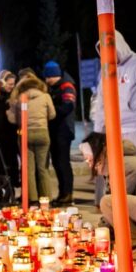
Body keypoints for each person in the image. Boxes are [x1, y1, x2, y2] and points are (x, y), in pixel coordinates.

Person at [92, 30, 136, 161]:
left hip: (134, 129)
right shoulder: (106, 70)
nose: (107, 56)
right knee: (115, 170)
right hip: (112, 130)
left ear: (118, 46)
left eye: (110, 51)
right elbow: (101, 101)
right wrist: (98, 130)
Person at [7, 73, 55, 203]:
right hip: (42, 133)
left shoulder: (20, 98)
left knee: (29, 169)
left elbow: (13, 120)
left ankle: (32, 199)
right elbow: (52, 115)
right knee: (43, 168)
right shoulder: (45, 96)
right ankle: (46, 199)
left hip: (26, 135)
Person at [44, 60, 77, 206]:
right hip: (55, 130)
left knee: (63, 163)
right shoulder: (54, 87)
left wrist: (51, 112)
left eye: (48, 77)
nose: (46, 80)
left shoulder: (66, 86)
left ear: (53, 76)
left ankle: (67, 194)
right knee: (57, 163)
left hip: (64, 130)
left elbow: (68, 106)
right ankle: (62, 193)